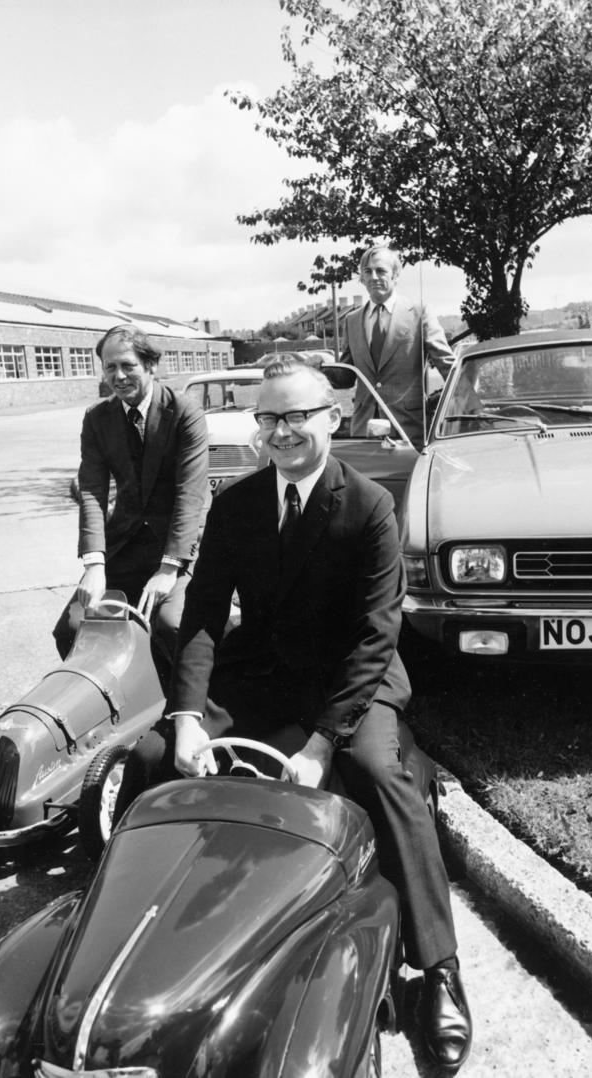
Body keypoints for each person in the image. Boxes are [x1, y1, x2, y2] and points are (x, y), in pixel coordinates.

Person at [118, 357, 472, 1072]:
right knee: (151, 758)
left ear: (332, 417)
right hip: (264, 672)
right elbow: (204, 616)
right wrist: (186, 714)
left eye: (297, 416)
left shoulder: (369, 505)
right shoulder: (237, 503)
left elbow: (376, 635)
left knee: (379, 773)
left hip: (351, 681)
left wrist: (321, 744)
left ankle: (438, 967)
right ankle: (127, 940)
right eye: (269, 418)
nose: (281, 432)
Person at [53, 324, 208, 683]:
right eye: (110, 367)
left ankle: (187, 705)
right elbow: (91, 490)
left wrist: (168, 569)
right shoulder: (97, 418)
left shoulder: (185, 411)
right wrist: (95, 565)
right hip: (126, 545)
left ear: (150, 365)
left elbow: (190, 494)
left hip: (180, 545)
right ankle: (124, 701)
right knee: (72, 628)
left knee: (171, 625)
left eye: (127, 365)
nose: (118, 376)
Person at [341, 244, 455, 448]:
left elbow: (447, 364)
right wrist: (318, 367)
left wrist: (472, 407)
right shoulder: (351, 320)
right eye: (367, 271)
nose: (374, 277)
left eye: (381, 271)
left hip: (409, 430)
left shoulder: (419, 313)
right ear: (362, 278)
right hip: (363, 431)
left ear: (395, 275)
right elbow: (346, 376)